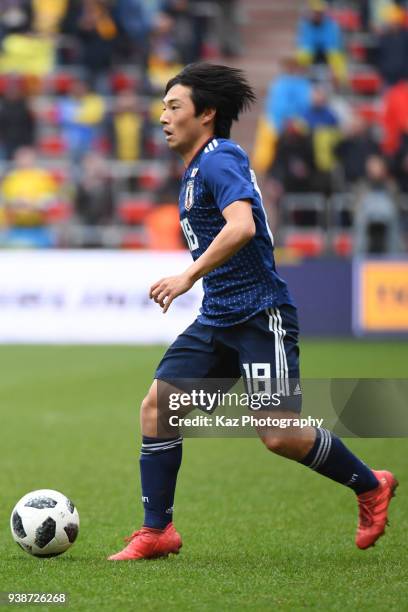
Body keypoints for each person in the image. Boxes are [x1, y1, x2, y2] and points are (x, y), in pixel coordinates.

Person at [108, 63, 398, 561]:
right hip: (219, 318)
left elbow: (241, 227)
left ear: (207, 114)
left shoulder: (219, 159)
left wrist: (186, 276)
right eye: (162, 107)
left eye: (174, 107)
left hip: (261, 317)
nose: (163, 116)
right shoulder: (198, 166)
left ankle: (370, 485)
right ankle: (157, 531)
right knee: (158, 408)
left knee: (279, 434)